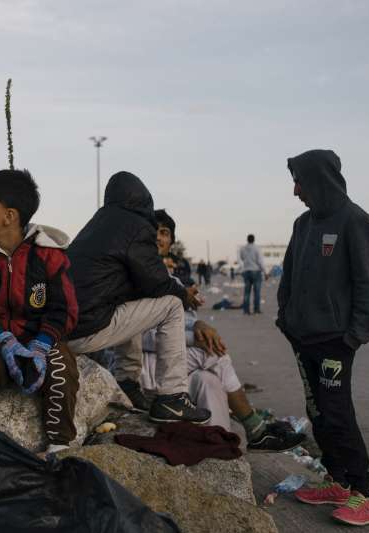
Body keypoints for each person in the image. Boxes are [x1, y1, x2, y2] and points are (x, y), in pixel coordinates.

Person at [277, 149, 369, 526]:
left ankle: (363, 494)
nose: (295, 191)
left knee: (337, 413)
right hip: (302, 338)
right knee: (317, 412)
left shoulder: (357, 222)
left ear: (318, 180)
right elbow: (288, 275)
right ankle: (337, 482)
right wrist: (284, 316)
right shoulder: (302, 225)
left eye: (298, 182)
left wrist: (355, 335)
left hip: (336, 341)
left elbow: (367, 285)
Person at [143, 210, 304, 451]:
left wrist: (199, 325)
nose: (158, 238)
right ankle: (256, 429)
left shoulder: (173, 282)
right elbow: (139, 336)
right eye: (153, 232)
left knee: (209, 381)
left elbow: (183, 320)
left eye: (164, 233)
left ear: (171, 243)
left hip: (172, 365)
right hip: (144, 365)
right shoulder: (136, 277)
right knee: (211, 353)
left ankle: (219, 445)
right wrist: (192, 338)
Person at [0, 169, 79, 463]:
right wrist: (1, 338)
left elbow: (65, 310)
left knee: (62, 365)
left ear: (9, 216)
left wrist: (43, 343)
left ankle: (60, 444)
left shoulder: (49, 256)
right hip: (1, 341)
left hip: (41, 342)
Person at [66, 171, 210, 424]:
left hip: (65, 328)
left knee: (134, 301)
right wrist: (184, 294)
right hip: (87, 329)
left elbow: (139, 283)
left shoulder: (96, 224)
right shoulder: (136, 226)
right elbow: (156, 280)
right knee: (173, 305)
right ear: (145, 201)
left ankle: (128, 383)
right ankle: (173, 397)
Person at [239, 234, 267, 315]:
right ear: (254, 240)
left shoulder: (242, 248)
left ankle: (246, 310)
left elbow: (242, 258)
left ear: (247, 240)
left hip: (246, 271)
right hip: (256, 271)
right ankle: (256, 309)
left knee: (246, 292)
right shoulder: (257, 248)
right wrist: (265, 272)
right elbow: (260, 261)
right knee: (256, 292)